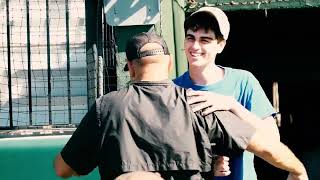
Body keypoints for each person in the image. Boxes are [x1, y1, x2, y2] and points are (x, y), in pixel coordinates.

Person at [54, 32, 308, 180]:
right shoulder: (198, 103)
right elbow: (266, 147)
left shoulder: (106, 107)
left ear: (130, 67)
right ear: (169, 63)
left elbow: (63, 168)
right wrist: (298, 169)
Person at [173, 6, 279, 180]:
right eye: (190, 38)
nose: (195, 46)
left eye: (205, 40)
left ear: (220, 45)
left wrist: (232, 105)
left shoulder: (243, 81)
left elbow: (272, 139)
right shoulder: (172, 89)